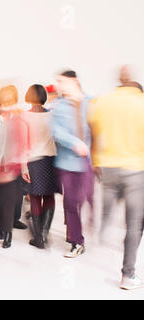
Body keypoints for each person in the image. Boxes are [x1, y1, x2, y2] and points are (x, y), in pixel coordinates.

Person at [88, 80, 144, 290]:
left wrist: (96, 160)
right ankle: (128, 274)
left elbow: (94, 133)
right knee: (134, 224)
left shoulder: (104, 104)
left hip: (110, 166)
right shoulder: (140, 105)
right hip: (136, 170)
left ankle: (102, 231)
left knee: (110, 206)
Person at [52, 70, 94, 258]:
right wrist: (74, 143)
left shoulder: (91, 103)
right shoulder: (58, 106)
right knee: (71, 202)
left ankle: (89, 224)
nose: (58, 85)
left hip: (88, 163)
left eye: (61, 81)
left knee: (85, 199)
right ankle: (77, 241)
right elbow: (56, 132)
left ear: (74, 81)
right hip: (67, 163)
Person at [0, 86, 29, 249]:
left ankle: (7, 232)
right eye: (3, 103)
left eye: (9, 103)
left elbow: (23, 146)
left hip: (12, 168)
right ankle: (2, 224)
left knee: (10, 201)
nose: (6, 106)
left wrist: (24, 168)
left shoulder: (19, 120)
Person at [21, 85, 58, 249]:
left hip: (33, 161)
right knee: (49, 196)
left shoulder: (24, 116)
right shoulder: (53, 116)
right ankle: (44, 233)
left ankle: (38, 238)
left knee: (35, 197)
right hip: (51, 160)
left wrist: (23, 167)